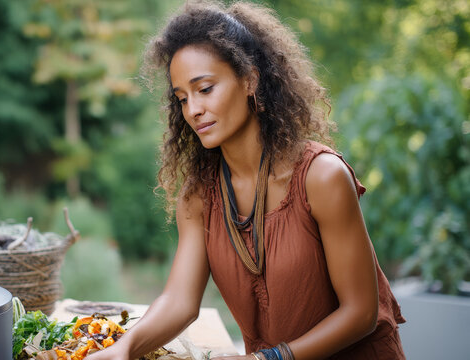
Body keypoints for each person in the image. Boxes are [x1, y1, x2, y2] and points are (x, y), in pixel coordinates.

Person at [87, 1, 406, 359]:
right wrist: (125, 347)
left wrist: (270, 358)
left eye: (205, 88)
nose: (193, 109)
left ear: (250, 80)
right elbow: (180, 301)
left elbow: (360, 313)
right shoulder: (199, 195)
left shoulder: (321, 177)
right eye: (181, 98)